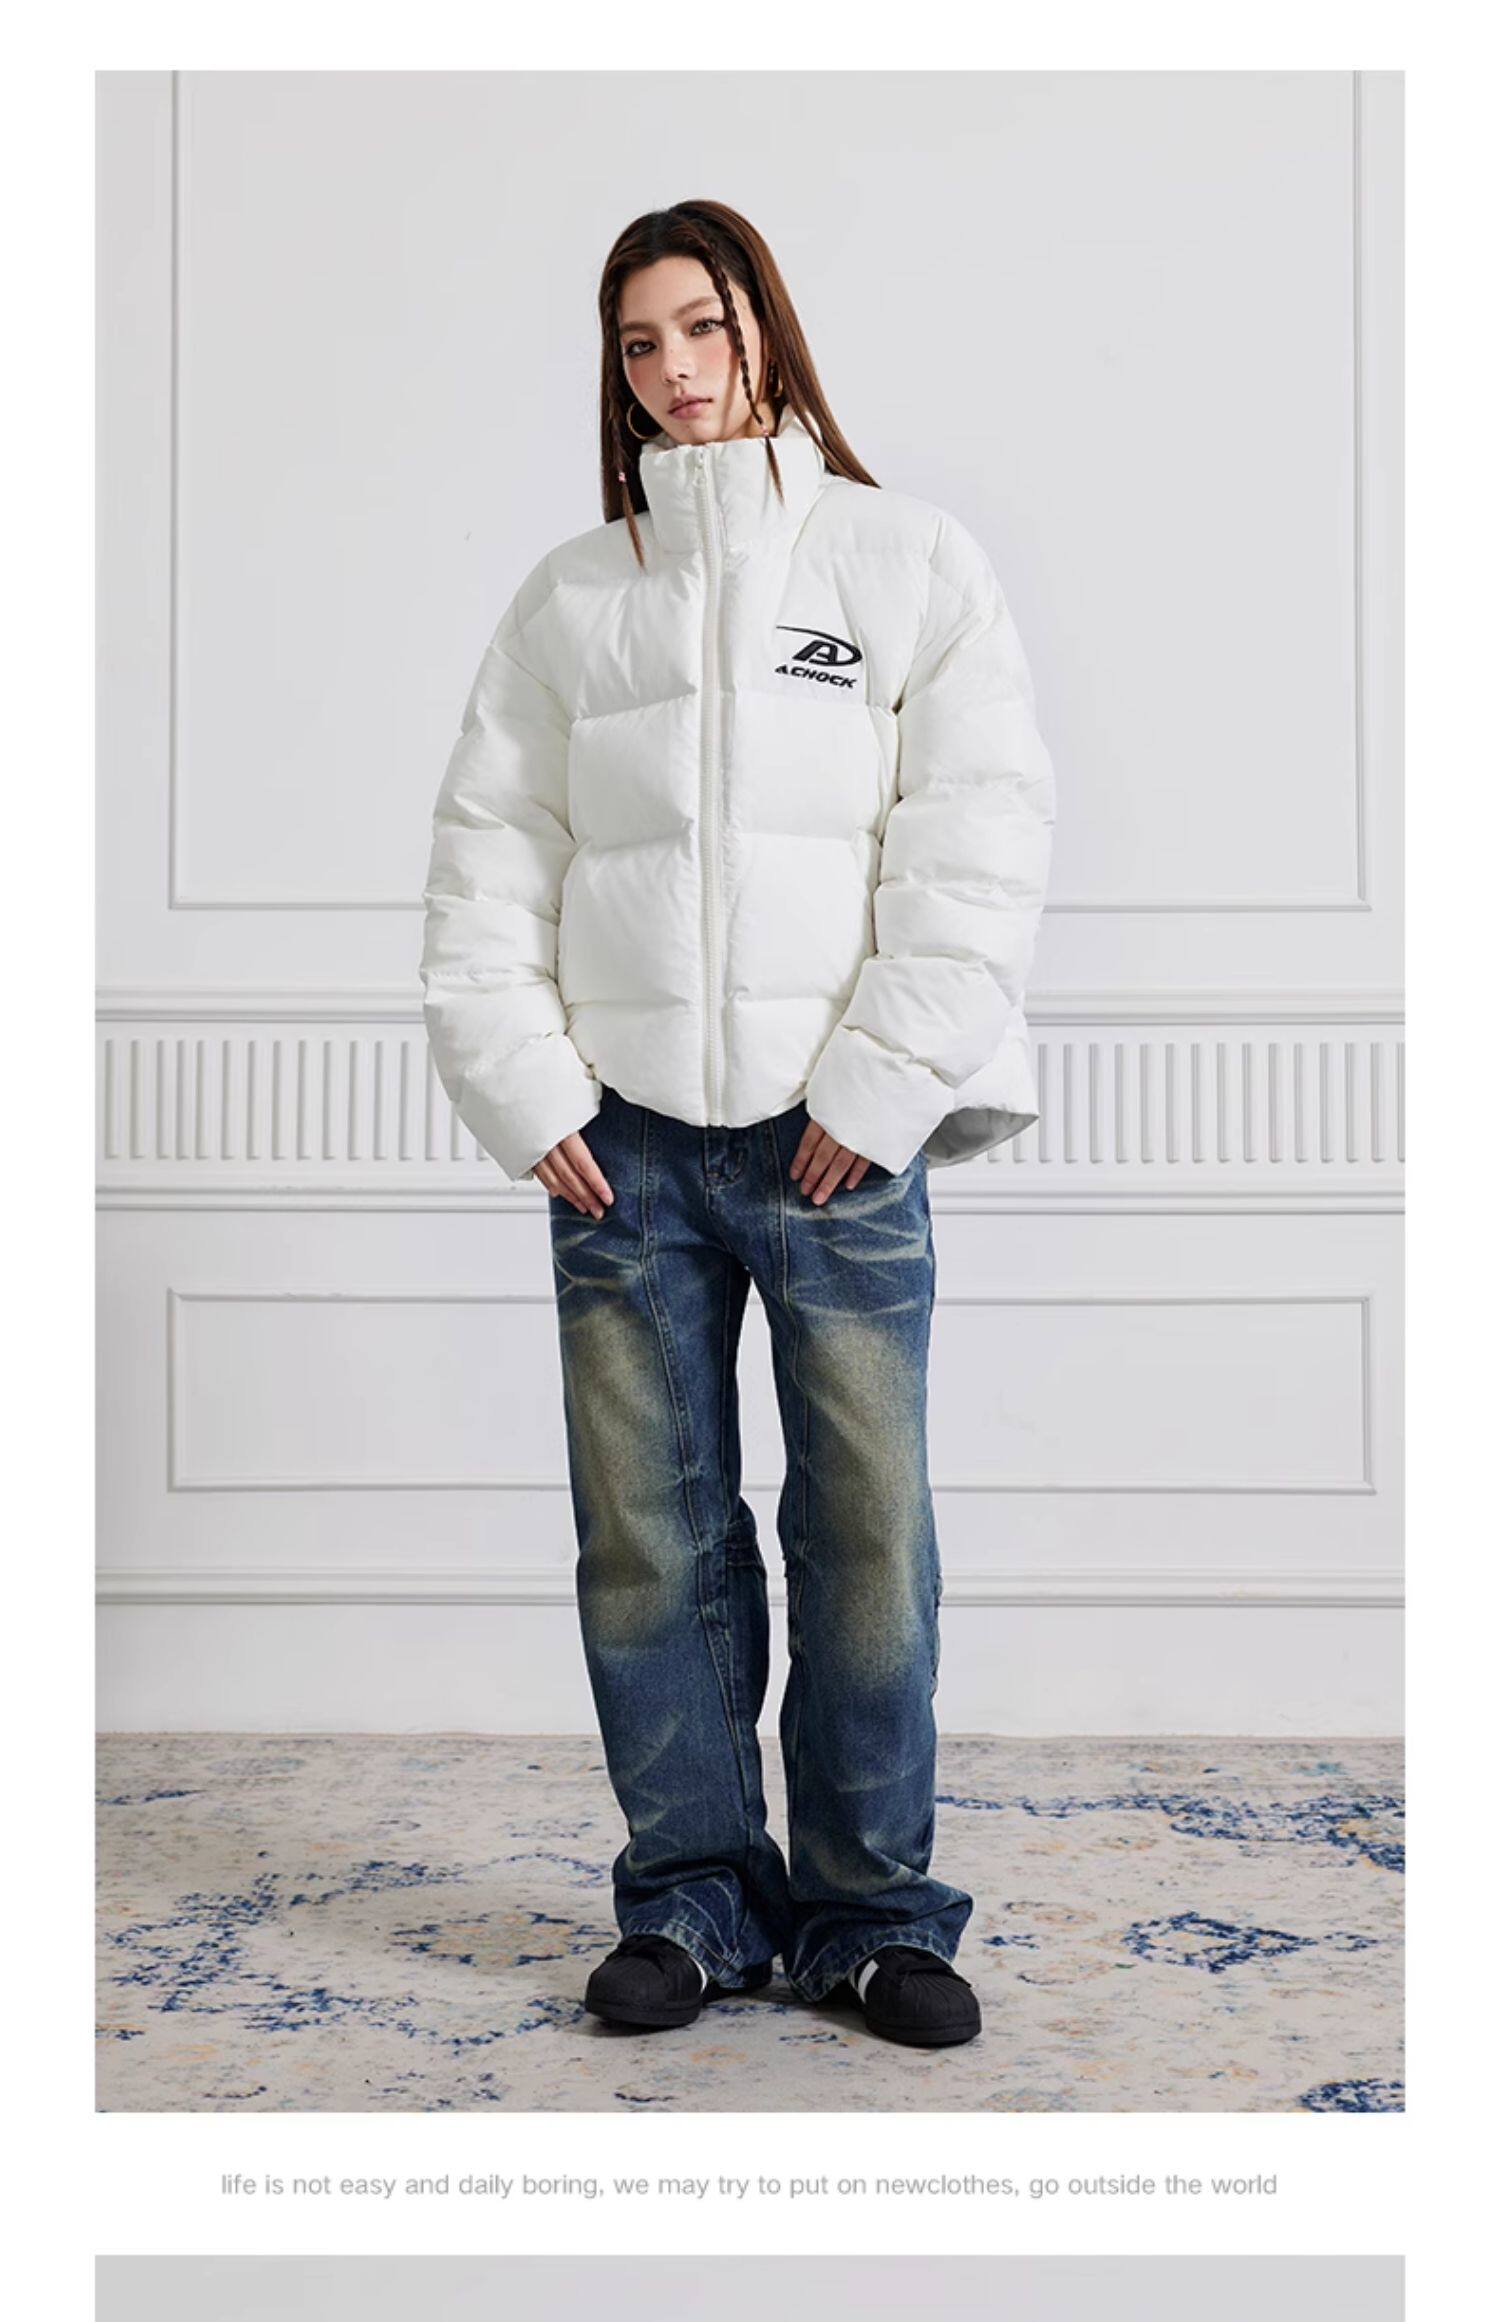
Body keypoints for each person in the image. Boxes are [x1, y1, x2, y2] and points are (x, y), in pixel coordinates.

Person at [420, 199, 1055, 2051]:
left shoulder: (904, 561)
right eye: (640, 343)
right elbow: (487, 855)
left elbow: (977, 839)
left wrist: (878, 1085)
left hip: (835, 1143)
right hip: (622, 1149)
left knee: (866, 1538)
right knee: (652, 1541)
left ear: (765, 323)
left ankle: (872, 1917)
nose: (676, 368)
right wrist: (529, 1088)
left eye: (702, 325)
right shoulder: (572, 598)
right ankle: (693, 1900)